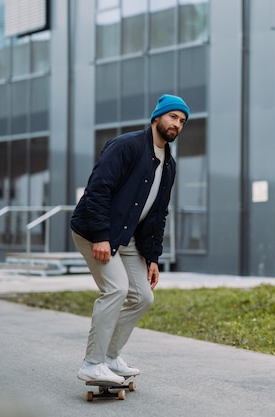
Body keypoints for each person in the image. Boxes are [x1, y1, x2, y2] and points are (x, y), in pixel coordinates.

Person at [70, 94, 189, 383]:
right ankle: (91, 363)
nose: (177, 124)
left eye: (182, 121)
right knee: (116, 290)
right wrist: (100, 236)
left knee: (142, 297)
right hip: (94, 232)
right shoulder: (126, 146)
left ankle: (109, 357)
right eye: (173, 116)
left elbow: (158, 215)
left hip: (126, 237)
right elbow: (98, 190)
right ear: (157, 117)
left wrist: (153, 258)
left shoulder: (169, 165)